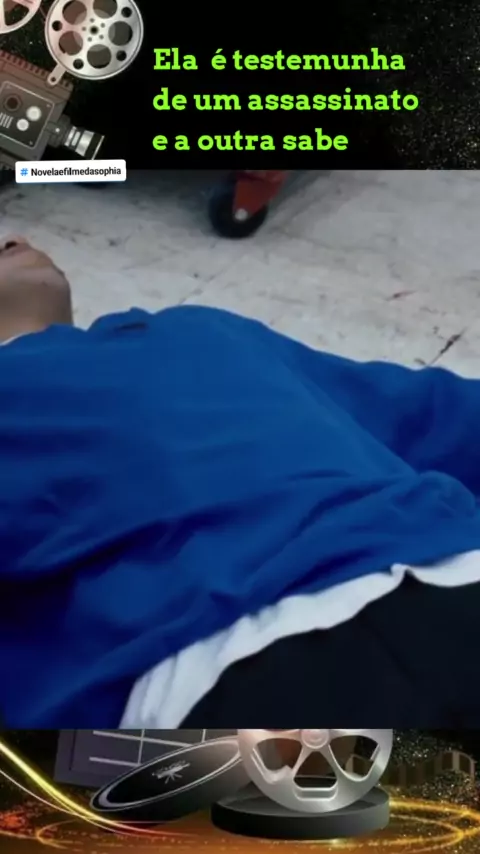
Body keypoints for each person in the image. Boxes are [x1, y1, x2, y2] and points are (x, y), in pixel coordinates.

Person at [1, 234, 480, 731]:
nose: (11, 239)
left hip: (450, 570)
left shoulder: (195, 330)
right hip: (223, 669)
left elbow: (430, 414)